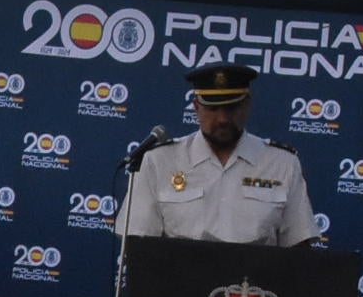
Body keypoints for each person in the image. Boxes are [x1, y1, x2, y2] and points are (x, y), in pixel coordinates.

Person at [120, 61, 318, 245]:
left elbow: (299, 245)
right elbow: (138, 243)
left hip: (256, 273)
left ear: (247, 105)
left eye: (231, 108)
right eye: (213, 108)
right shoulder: (159, 161)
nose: (223, 119)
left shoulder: (282, 164)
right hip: (180, 272)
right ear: (196, 107)